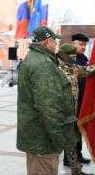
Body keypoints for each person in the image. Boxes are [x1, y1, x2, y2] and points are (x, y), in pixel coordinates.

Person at [17, 26, 79, 175]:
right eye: (54, 41)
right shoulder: (43, 65)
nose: (56, 45)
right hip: (44, 143)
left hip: (37, 138)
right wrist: (58, 140)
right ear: (46, 42)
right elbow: (48, 108)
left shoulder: (34, 59)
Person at [57, 43, 95, 174]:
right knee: (56, 147)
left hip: (71, 116)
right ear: (65, 56)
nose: (74, 58)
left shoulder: (74, 68)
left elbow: (89, 70)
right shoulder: (54, 69)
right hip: (59, 116)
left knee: (72, 144)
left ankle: (76, 170)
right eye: (72, 56)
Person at [62, 33, 91, 165]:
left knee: (78, 129)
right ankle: (68, 159)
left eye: (85, 45)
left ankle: (77, 155)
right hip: (69, 102)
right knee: (70, 131)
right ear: (73, 44)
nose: (83, 47)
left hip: (81, 100)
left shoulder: (84, 59)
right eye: (81, 44)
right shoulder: (69, 60)